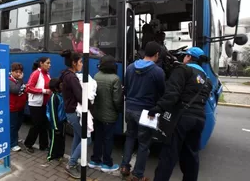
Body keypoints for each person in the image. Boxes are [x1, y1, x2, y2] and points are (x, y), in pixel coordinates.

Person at [149, 47, 212, 181]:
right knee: (191, 156)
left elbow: (172, 94)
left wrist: (157, 108)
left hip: (181, 119)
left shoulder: (183, 70)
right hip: (199, 120)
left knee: (168, 156)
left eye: (185, 56)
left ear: (188, 57)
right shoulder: (207, 80)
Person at [120, 41, 166, 181]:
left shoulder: (130, 67)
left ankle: (124, 167)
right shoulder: (158, 71)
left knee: (130, 137)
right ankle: (138, 175)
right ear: (157, 54)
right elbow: (162, 93)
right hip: (147, 112)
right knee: (144, 143)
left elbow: (126, 88)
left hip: (130, 108)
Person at [59, 49, 92, 179]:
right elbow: (80, 96)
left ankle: (73, 161)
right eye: (80, 62)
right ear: (74, 63)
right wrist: (91, 106)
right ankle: (71, 164)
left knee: (78, 138)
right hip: (73, 112)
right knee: (87, 139)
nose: (82, 64)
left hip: (70, 111)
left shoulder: (65, 74)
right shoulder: (72, 77)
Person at [88, 55, 123, 172]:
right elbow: (117, 100)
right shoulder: (115, 79)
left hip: (97, 113)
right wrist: (119, 110)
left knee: (98, 137)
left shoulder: (97, 76)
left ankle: (95, 160)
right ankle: (107, 164)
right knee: (108, 139)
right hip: (110, 116)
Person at [24, 57, 52, 153]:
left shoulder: (47, 74)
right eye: (47, 63)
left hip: (44, 104)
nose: (49, 65)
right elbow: (28, 88)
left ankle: (43, 145)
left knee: (44, 125)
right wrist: (44, 91)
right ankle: (28, 144)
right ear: (41, 63)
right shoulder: (36, 73)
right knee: (36, 125)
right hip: (35, 104)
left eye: (50, 63)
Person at [46, 78, 66, 161]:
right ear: (56, 87)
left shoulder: (61, 95)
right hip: (55, 123)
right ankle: (51, 156)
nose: (62, 86)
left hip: (62, 121)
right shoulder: (54, 97)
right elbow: (53, 114)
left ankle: (60, 155)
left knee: (62, 139)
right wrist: (55, 126)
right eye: (60, 84)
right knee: (54, 140)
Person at [9, 63, 27, 152]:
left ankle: (14, 139)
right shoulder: (9, 80)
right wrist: (20, 80)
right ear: (12, 71)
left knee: (18, 124)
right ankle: (13, 144)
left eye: (20, 72)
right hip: (13, 108)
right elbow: (15, 90)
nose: (19, 74)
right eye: (16, 72)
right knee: (13, 126)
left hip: (20, 107)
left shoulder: (18, 80)